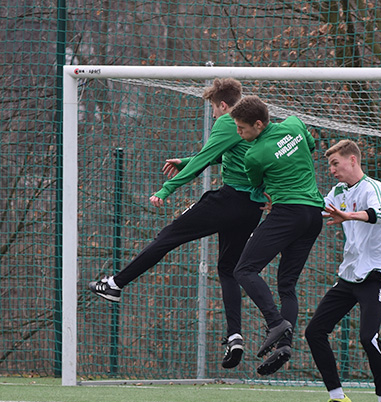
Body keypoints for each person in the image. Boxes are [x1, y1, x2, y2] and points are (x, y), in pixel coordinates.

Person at [88, 78, 265, 370]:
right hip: (251, 208)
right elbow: (227, 154)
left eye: (213, 110)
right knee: (228, 269)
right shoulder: (254, 125)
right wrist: (185, 159)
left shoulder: (228, 121)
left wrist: (166, 189)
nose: (214, 116)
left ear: (222, 105)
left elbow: (205, 159)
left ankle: (115, 284)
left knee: (167, 236)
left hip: (228, 200)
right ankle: (235, 335)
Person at [304, 140, 381, 402]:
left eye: (336, 164)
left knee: (368, 338)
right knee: (314, 331)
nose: (332, 170)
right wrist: (282, 207)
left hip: (376, 274)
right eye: (330, 165)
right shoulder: (338, 193)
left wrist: (348, 215)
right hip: (349, 275)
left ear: (353, 160)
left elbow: (376, 214)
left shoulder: (374, 188)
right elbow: (315, 211)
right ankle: (337, 397)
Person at [230, 95, 324, 376]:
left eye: (242, 129)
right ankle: (284, 344)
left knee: (244, 270)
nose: (239, 133)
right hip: (313, 216)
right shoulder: (295, 124)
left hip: (288, 214)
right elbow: (313, 144)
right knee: (287, 285)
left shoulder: (254, 155)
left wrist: (270, 194)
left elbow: (257, 188)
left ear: (258, 124)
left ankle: (275, 322)